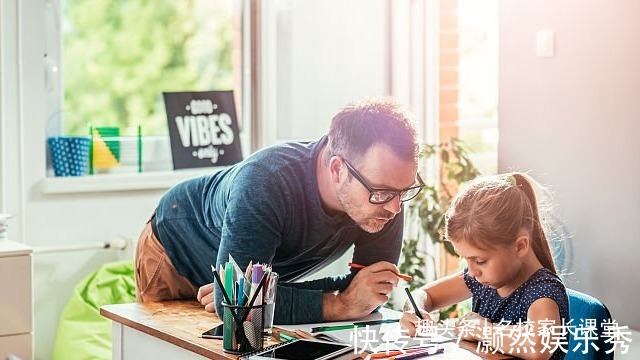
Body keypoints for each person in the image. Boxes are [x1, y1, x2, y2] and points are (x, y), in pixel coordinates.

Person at [135, 98, 424, 324]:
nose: (395, 207)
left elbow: (368, 291)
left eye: (404, 191)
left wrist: (247, 295)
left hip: (256, 271)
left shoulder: (385, 195)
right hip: (176, 249)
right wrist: (339, 304)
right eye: (383, 193)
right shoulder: (265, 181)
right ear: (337, 169)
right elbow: (239, 308)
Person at [400, 173, 569, 360]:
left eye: (479, 261)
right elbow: (426, 294)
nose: (472, 272)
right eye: (466, 260)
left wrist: (482, 329)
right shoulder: (483, 279)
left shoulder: (543, 290)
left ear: (520, 246)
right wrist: (415, 311)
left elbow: (538, 346)